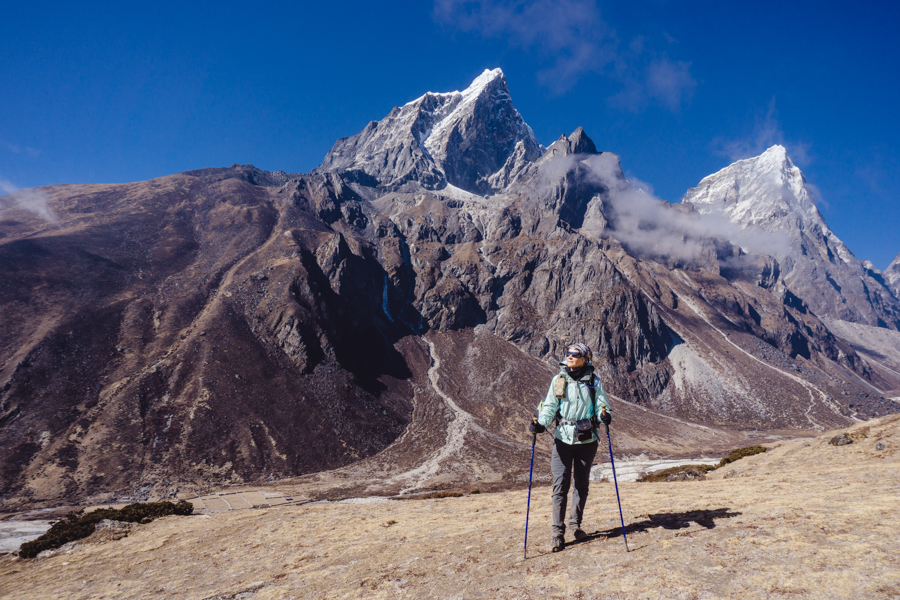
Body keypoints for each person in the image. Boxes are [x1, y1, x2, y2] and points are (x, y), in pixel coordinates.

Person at [530, 342, 611, 552]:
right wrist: (541, 424)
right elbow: (549, 406)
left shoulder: (594, 381)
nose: (570, 357)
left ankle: (576, 526)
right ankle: (557, 533)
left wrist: (605, 414)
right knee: (560, 486)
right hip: (562, 440)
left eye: (575, 354)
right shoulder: (558, 380)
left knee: (581, 485)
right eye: (568, 354)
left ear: (585, 358)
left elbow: (602, 403)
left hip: (587, 440)